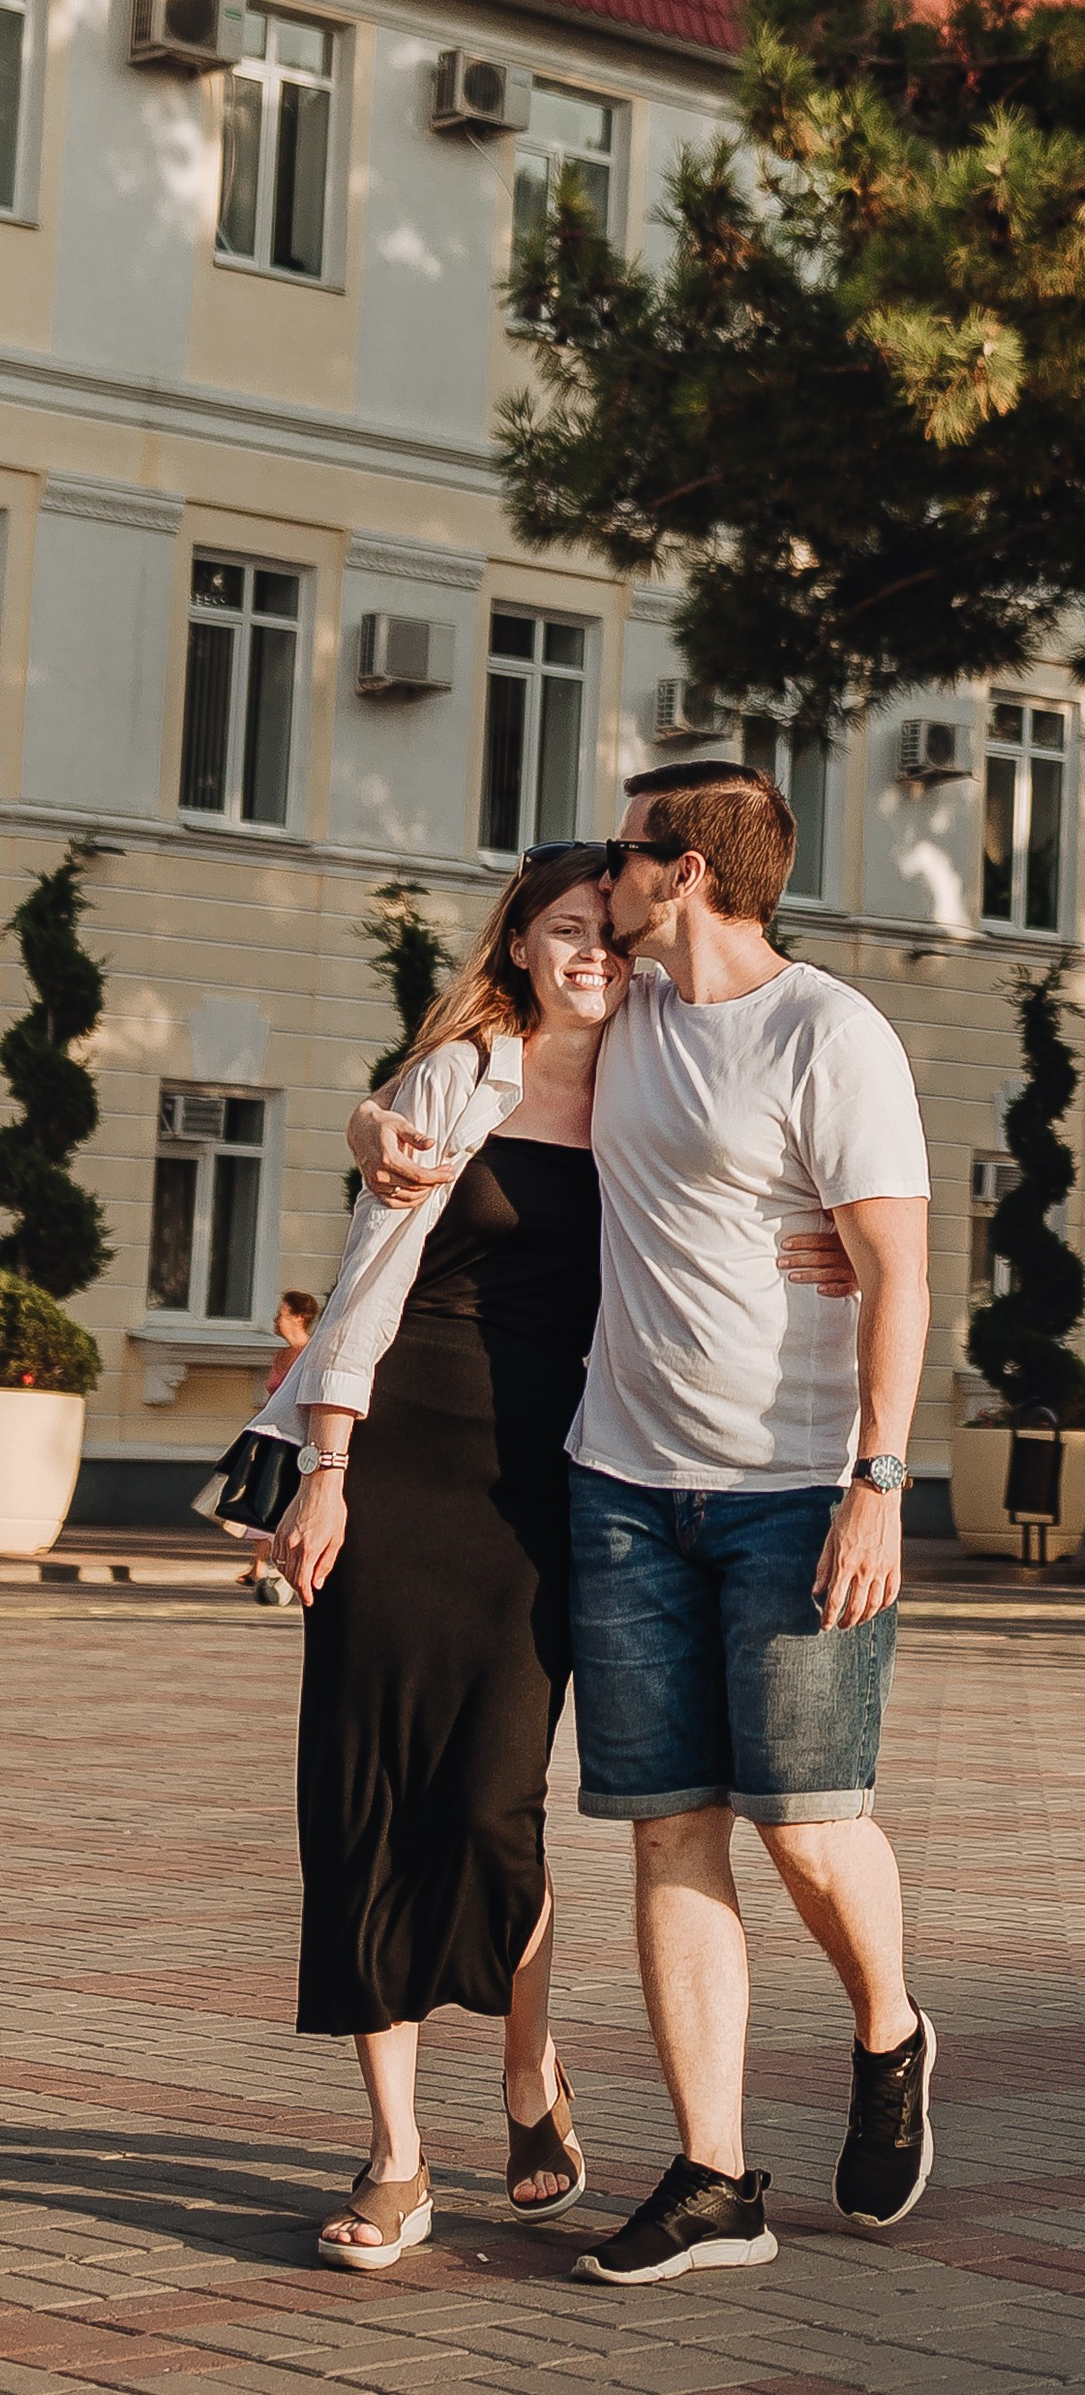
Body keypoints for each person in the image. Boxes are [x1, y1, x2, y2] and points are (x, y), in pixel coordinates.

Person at [351, 759, 935, 2291]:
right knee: (670, 1827)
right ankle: (716, 2176)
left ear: (678, 872)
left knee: (806, 1827)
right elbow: (484, 1066)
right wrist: (372, 1125)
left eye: (621, 852)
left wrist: (880, 1483)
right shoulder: (638, 1020)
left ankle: (889, 2027)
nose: (597, 877)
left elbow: (901, 1275)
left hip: (798, 1493)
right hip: (619, 1483)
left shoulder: (834, 1035)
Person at [262, 848, 624, 2271]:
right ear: (521, 942)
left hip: (553, 1483)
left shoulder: (665, 1083)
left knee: (493, 1800)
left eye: (610, 932)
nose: (589, 952)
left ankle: (531, 2073)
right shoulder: (463, 1071)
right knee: (368, 1795)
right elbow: (365, 1277)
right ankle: (398, 2153)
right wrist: (327, 1468)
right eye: (564, 930)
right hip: (406, 1456)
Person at [242, 1293, 320, 1602]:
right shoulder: (281, 1355)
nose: (276, 1319)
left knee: (283, 1502)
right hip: (271, 1437)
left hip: (297, 1441)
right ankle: (259, 1566)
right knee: (263, 1502)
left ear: (299, 1317)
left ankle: (283, 1570)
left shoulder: (310, 1353)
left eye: (282, 1313)